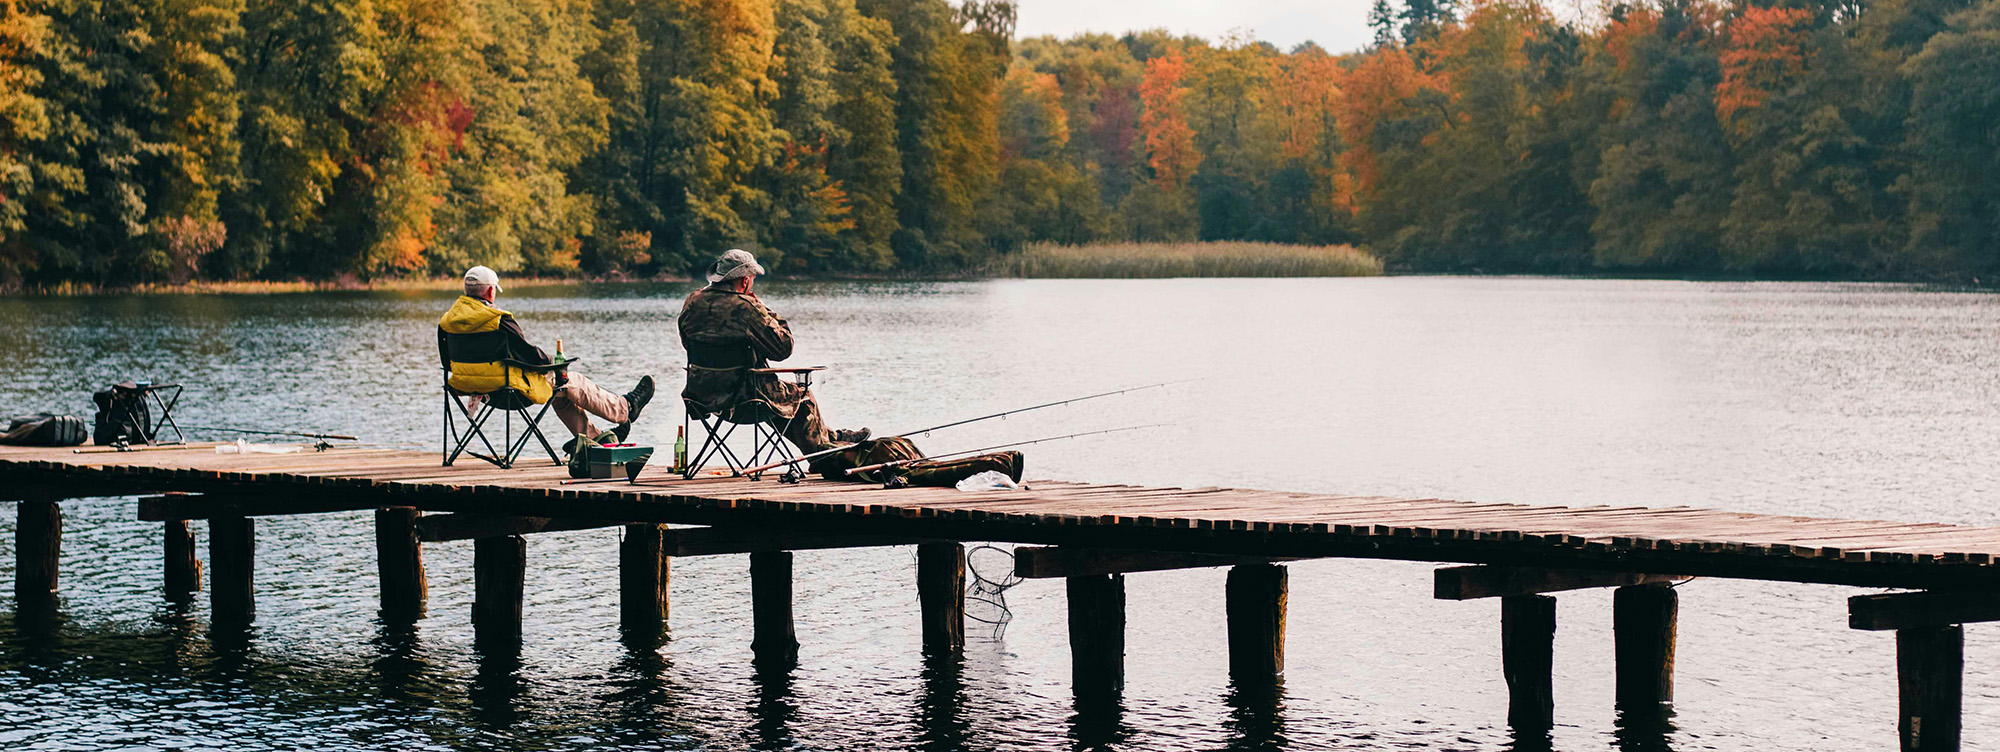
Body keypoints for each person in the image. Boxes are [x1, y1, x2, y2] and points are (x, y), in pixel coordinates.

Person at [440, 266, 654, 452]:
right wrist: (553, 362)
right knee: (571, 380)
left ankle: (597, 441)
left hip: (471, 390)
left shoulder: (447, 322)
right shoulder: (497, 320)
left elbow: (446, 362)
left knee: (561, 393)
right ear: (490, 291)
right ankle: (625, 408)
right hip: (509, 391)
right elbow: (529, 355)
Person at [678, 249, 868, 453]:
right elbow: (783, 349)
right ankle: (824, 455)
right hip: (743, 397)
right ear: (744, 281)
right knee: (801, 396)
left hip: (702, 395)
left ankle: (832, 439)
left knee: (777, 400)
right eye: (752, 279)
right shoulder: (747, 307)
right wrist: (762, 308)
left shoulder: (693, 301)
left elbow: (687, 342)